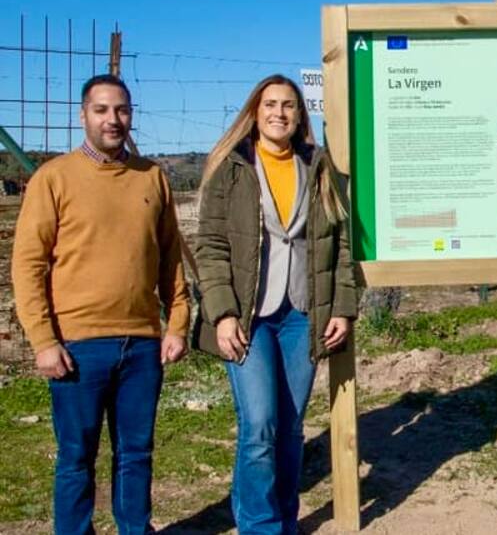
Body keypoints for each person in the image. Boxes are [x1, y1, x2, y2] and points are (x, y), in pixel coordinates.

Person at [12, 74, 190, 535]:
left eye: (122, 110)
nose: (114, 119)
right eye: (102, 110)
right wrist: (43, 341)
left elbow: (170, 257)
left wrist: (176, 323)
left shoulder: (152, 176)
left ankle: (135, 528)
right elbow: (28, 266)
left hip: (142, 344)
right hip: (77, 345)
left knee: (137, 453)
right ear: (83, 115)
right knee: (76, 457)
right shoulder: (53, 178)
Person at [188, 74, 358, 534]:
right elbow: (211, 246)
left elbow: (342, 245)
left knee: (290, 426)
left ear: (300, 114)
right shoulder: (232, 168)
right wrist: (221, 313)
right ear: (255, 111)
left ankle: (285, 518)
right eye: (270, 104)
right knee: (260, 425)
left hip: (303, 315)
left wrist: (342, 308)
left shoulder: (319, 167)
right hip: (249, 317)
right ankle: (260, 525)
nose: (279, 113)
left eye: (288, 105)